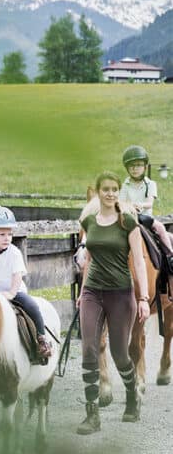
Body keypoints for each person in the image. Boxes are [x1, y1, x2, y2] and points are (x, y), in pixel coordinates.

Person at [76, 171, 149, 435]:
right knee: (88, 350)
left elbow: (139, 261)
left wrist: (142, 297)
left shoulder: (127, 222)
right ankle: (91, 415)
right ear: (97, 192)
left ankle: (132, 396)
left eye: (114, 189)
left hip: (120, 292)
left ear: (119, 192)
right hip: (93, 292)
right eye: (105, 189)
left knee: (120, 354)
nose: (110, 193)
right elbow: (89, 259)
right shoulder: (88, 220)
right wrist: (82, 291)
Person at [0, 206, 52, 360]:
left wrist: (11, 293)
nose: (7, 238)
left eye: (10, 234)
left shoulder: (14, 252)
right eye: (2, 234)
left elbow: (17, 275)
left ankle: (42, 340)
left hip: (14, 293)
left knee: (32, 306)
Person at [120, 144, 173, 271]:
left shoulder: (151, 184)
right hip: (130, 218)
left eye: (138, 165)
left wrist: (140, 205)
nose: (135, 169)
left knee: (160, 227)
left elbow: (150, 203)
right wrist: (129, 207)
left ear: (144, 166)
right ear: (127, 168)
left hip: (146, 218)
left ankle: (170, 255)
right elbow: (121, 203)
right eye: (131, 166)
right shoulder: (125, 185)